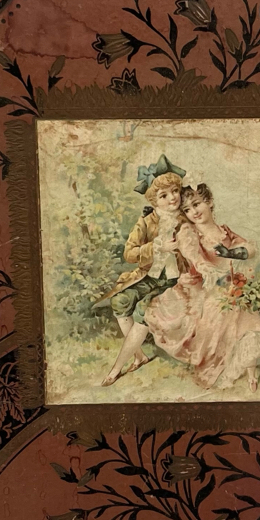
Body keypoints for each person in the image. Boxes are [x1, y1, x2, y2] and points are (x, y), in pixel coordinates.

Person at [145, 183, 260, 392]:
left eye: (197, 204)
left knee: (243, 309)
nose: (194, 212)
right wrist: (209, 271)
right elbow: (194, 257)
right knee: (224, 308)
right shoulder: (189, 232)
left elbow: (249, 248)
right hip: (200, 287)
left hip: (225, 285)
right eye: (187, 209)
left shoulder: (224, 231)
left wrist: (232, 254)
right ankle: (224, 364)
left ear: (210, 202)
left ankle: (251, 372)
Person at [94, 155, 188, 386]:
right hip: (150, 276)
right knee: (120, 301)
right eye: (163, 195)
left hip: (176, 280)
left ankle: (116, 369)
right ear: (154, 200)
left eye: (175, 191)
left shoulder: (187, 218)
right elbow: (129, 253)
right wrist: (156, 247)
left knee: (144, 309)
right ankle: (139, 356)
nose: (172, 198)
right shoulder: (146, 222)